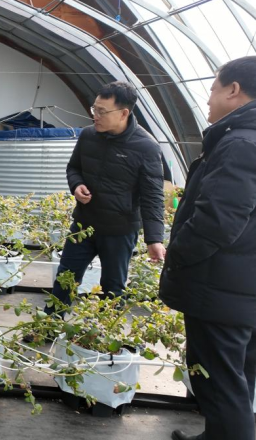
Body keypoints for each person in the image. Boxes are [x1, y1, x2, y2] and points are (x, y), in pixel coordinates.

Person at [160, 56, 256, 440]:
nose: (207, 98)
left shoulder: (239, 144)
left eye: (212, 89)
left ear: (234, 90)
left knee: (219, 385)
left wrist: (178, 254)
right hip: (241, 283)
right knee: (238, 376)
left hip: (221, 287)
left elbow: (216, 221)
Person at [46, 81, 166, 315]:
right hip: (84, 224)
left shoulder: (146, 147)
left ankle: (102, 333)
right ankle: (49, 326)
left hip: (119, 231)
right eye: (95, 109)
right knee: (65, 279)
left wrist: (154, 239)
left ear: (123, 113)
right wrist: (77, 185)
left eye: (102, 111)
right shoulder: (88, 135)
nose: (95, 116)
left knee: (113, 288)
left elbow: (152, 195)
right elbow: (74, 168)